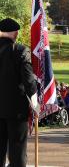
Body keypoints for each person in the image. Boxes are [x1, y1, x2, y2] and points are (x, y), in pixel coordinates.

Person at [0, 18, 37, 167]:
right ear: (15, 33)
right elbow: (29, 82)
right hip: (16, 111)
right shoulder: (21, 51)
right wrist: (35, 105)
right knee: (17, 152)